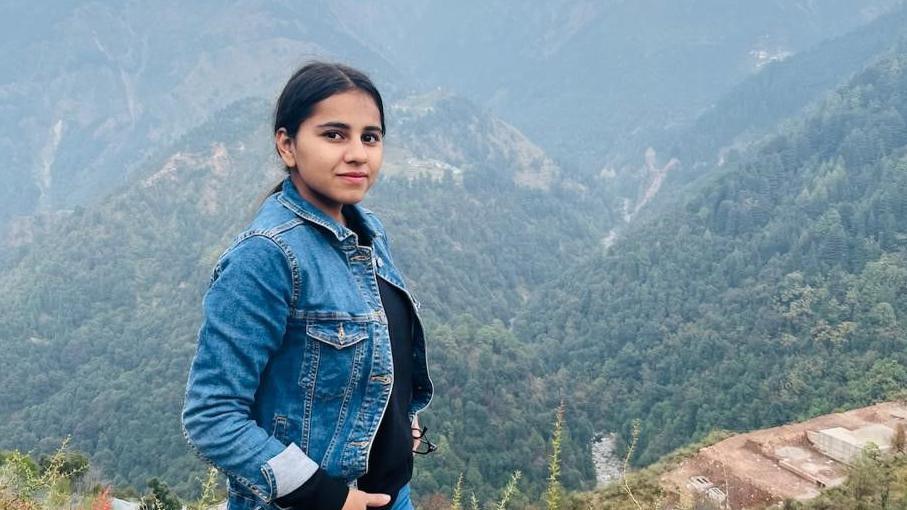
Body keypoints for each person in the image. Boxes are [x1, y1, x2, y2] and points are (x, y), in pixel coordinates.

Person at [181, 61, 434, 510]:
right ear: (287, 145)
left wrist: (397, 422)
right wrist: (327, 497)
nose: (357, 153)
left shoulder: (369, 233)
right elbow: (212, 416)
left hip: (395, 497)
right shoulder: (267, 257)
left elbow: (373, 359)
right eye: (334, 135)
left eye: (369, 137)